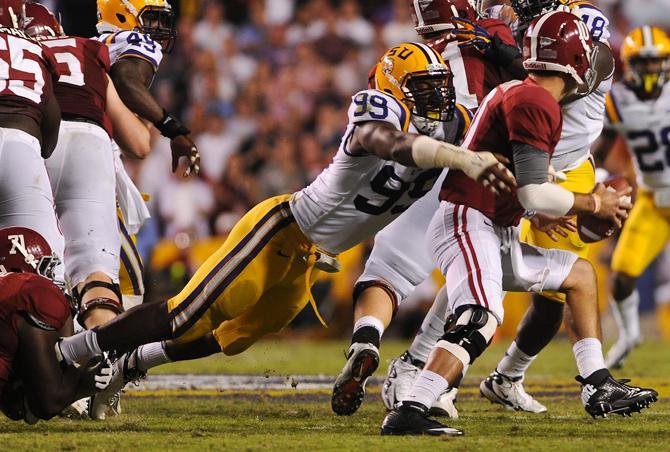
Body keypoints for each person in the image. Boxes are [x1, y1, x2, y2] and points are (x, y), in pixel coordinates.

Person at [54, 42, 516, 407]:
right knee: (184, 314)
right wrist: (460, 156)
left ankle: (133, 363)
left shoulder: (456, 124)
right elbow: (385, 141)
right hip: (281, 230)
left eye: (438, 87)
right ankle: (72, 352)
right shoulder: (376, 111)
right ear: (394, 89)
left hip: (312, 257)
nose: (436, 99)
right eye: (422, 88)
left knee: (231, 336)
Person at [380, 11, 657, 436]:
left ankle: (598, 385)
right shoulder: (536, 102)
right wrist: (591, 202)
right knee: (481, 316)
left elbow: (522, 181)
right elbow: (531, 193)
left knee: (580, 275)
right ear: (576, 60)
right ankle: (411, 406)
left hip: (494, 226)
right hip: (470, 221)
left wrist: (550, 202)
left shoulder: (524, 93)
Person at [332, 0, 522, 417]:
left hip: (419, 165)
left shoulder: (406, 56)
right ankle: (424, 371)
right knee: (476, 288)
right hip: (480, 170)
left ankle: (367, 337)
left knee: (387, 271)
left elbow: (383, 108)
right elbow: (530, 86)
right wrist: (501, 42)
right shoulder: (491, 31)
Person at [24, 1, 151, 331]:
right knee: (99, 277)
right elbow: (139, 144)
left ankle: (40, 364)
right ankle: (101, 356)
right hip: (90, 150)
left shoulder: (13, 53)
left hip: (30, 149)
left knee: (31, 272)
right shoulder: (87, 50)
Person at [95, 0, 200, 313]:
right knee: (126, 282)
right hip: (87, 157)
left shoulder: (92, 48)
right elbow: (128, 81)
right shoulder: (130, 41)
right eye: (152, 18)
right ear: (121, 13)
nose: (158, 29)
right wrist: (173, 128)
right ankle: (104, 355)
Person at [594, 26, 670, 368]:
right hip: (653, 201)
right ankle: (629, 335)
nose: (653, 69)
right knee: (622, 273)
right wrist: (590, 180)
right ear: (630, 64)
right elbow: (600, 151)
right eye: (645, 63)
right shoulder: (618, 101)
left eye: (658, 63)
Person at [0, 227, 112, 424]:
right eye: (44, 269)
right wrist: (82, 379)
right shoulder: (25, 301)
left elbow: (17, 406)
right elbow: (45, 404)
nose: (50, 278)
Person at [0, 0, 64, 286]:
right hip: (21, 146)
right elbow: (52, 124)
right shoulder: (37, 49)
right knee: (50, 268)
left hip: (20, 143)